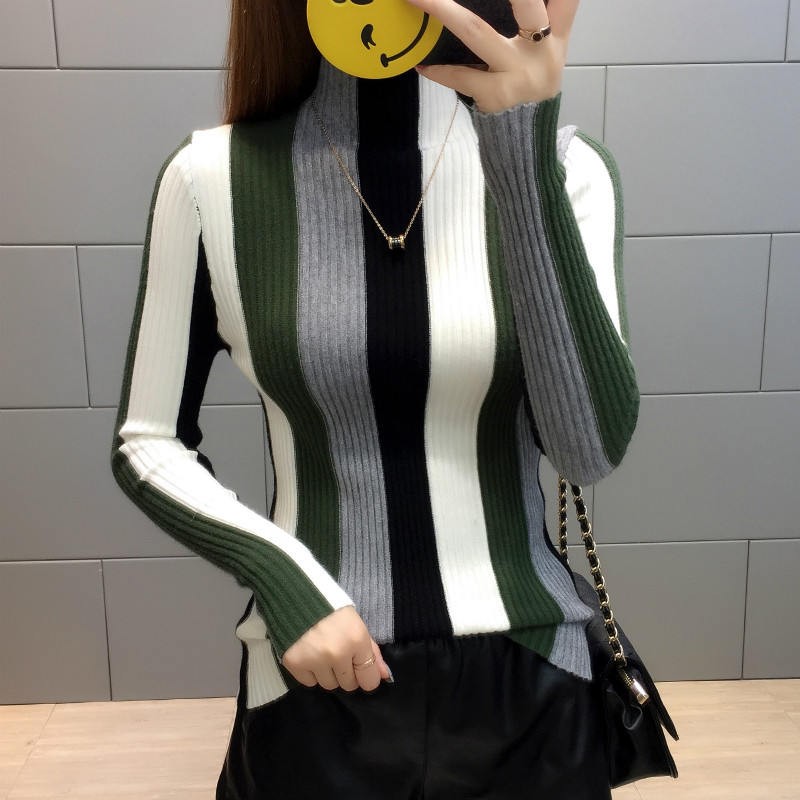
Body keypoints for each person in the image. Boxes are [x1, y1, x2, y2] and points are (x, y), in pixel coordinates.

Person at [110, 0, 640, 796]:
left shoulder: (567, 168)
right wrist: (285, 580)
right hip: (313, 674)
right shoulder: (210, 178)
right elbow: (148, 439)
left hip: (533, 677)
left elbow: (588, 447)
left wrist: (521, 153)